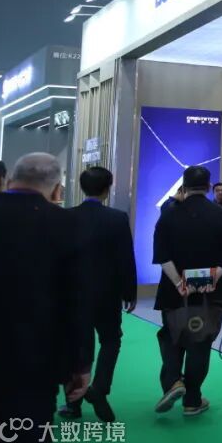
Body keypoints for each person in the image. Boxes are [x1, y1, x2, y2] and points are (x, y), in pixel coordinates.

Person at [0, 153, 90, 443]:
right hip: (33, 365)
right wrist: (79, 363)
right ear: (57, 189)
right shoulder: (66, 224)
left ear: (9, 179)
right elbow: (76, 301)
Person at [152, 165, 222, 418]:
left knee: (171, 336)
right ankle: (192, 400)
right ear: (210, 187)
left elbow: (161, 255)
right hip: (210, 293)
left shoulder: (169, 215)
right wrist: (211, 279)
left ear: (184, 187)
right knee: (200, 342)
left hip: (174, 291)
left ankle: (173, 381)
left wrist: (178, 282)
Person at [59, 167, 137, 423]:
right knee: (111, 340)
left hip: (73, 294)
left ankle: (73, 404)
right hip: (107, 293)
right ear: (107, 189)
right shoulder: (117, 218)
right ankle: (99, 389)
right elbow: (125, 258)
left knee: (75, 346)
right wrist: (130, 291)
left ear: (82, 187)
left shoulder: (66, 217)